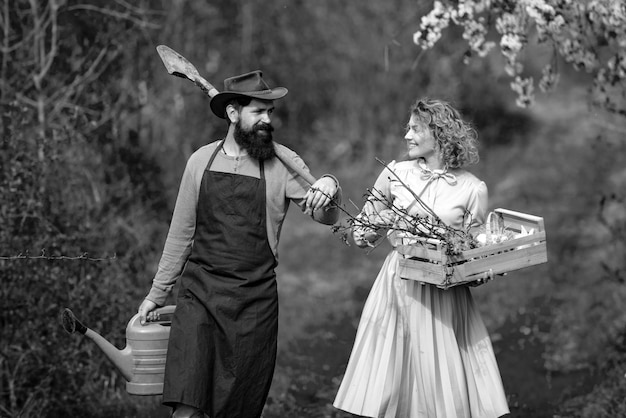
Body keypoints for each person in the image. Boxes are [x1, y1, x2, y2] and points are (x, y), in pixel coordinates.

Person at [137, 70, 342, 418]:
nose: (267, 120)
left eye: (270, 113)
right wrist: (157, 293)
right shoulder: (200, 161)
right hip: (199, 296)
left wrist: (330, 185)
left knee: (236, 408)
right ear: (233, 114)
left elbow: (327, 217)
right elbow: (181, 233)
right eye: (258, 112)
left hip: (254, 304)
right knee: (186, 404)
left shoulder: (282, 164)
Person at [333, 98, 509, 418]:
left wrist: (481, 269)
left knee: (442, 383)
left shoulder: (472, 188)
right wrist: (367, 229)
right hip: (398, 286)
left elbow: (475, 245)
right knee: (395, 380)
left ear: (438, 133)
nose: (407, 136)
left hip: (444, 294)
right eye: (408, 129)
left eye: (415, 128)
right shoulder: (395, 173)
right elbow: (364, 229)